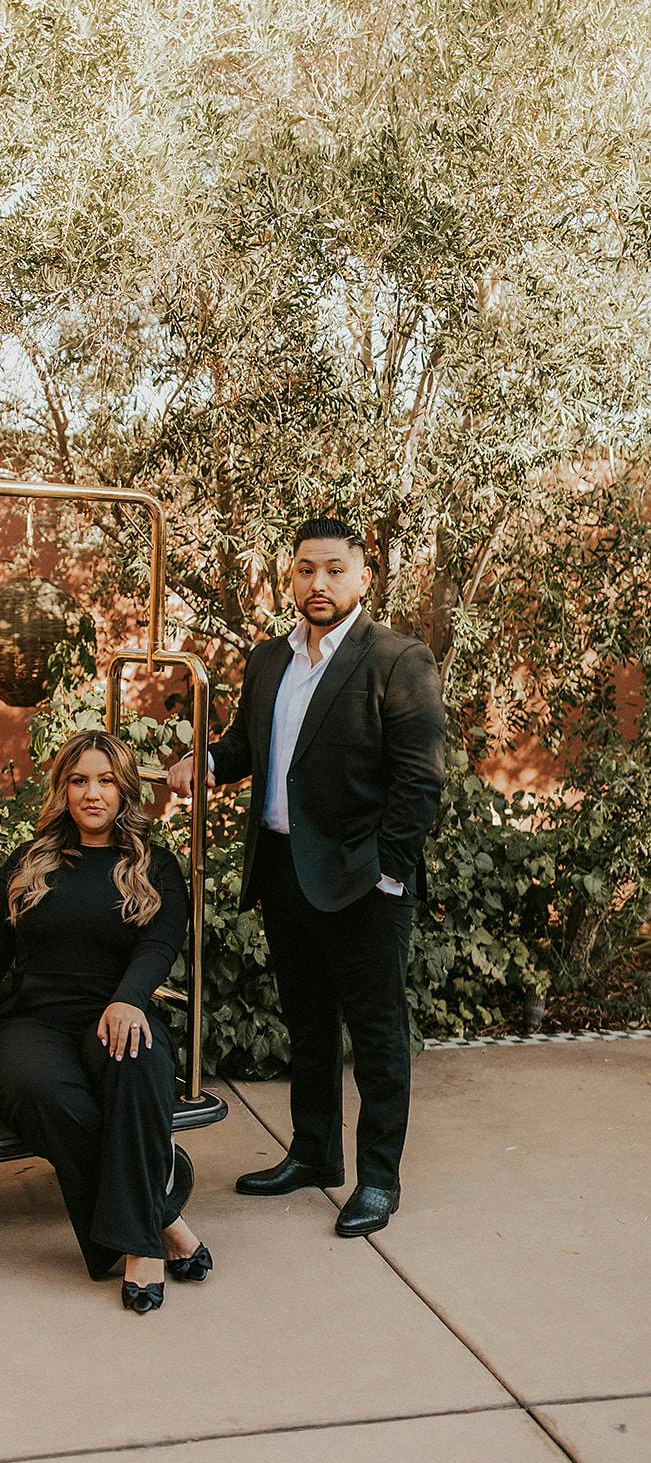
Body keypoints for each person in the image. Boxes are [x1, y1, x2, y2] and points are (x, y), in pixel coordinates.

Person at [168, 516, 446, 1237]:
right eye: (304, 570)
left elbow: (419, 782)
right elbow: (246, 746)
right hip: (284, 872)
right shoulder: (269, 659)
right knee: (309, 1027)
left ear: (363, 577)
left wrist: (389, 874)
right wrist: (204, 762)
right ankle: (315, 1154)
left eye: (332, 569)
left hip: (363, 882)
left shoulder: (398, 659)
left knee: (377, 1037)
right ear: (289, 576)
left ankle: (377, 1181)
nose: (317, 583)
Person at [0, 729, 211, 1313]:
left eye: (105, 780)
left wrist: (128, 999)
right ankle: (160, 1221)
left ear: (124, 789)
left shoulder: (154, 866)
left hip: (116, 1011)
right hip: (32, 1024)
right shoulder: (29, 863)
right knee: (45, 1093)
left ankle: (139, 1250)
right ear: (63, 790)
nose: (92, 793)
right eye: (79, 780)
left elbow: (158, 945)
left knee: (139, 1063)